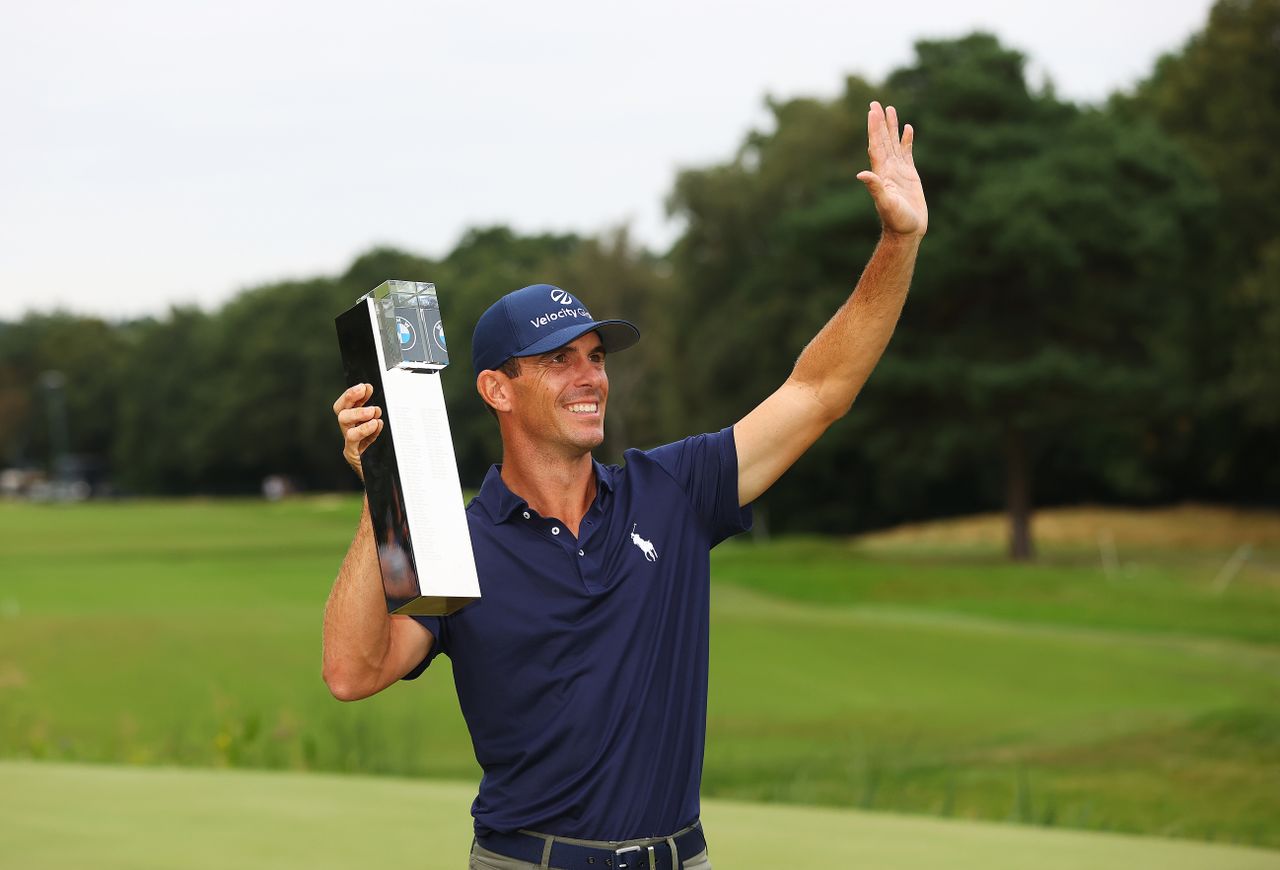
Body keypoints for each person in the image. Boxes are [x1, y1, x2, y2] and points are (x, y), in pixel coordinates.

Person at [324, 100, 927, 870]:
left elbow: (820, 391)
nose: (589, 378)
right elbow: (353, 672)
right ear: (497, 390)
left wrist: (897, 242)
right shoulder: (451, 538)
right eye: (558, 360)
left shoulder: (672, 490)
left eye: (596, 357)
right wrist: (382, 487)